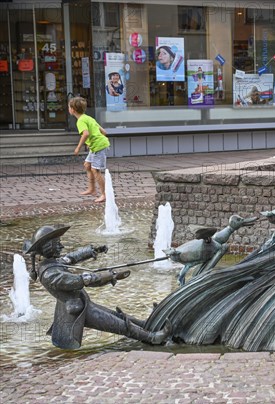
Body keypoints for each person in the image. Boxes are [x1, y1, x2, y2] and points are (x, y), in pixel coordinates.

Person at [23, 225, 171, 350]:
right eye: (57, 243)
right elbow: (79, 280)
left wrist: (91, 251)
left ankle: (148, 325)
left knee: (118, 317)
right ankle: (153, 338)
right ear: (48, 248)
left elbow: (71, 258)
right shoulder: (49, 274)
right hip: (79, 312)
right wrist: (110, 275)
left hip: (84, 304)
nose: (61, 246)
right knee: (119, 325)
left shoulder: (53, 263)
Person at [69, 97, 110, 203]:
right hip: (97, 145)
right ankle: (92, 189)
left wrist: (78, 147)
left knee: (95, 170)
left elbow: (86, 134)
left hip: (98, 146)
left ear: (73, 109)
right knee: (87, 165)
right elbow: (104, 131)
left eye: (69, 107)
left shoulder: (81, 121)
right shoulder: (88, 118)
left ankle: (104, 195)